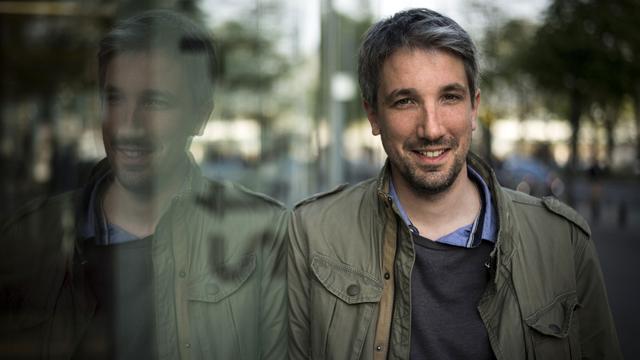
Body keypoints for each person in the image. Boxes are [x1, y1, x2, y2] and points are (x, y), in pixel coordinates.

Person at [288, 8, 621, 360]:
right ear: (373, 115)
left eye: (449, 97)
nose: (431, 129)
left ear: (474, 108)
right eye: (405, 101)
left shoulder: (563, 240)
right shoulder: (312, 235)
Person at [0, 9, 287, 359]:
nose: (128, 125)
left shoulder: (263, 233)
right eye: (114, 99)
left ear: (200, 117)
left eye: (153, 101)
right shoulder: (28, 236)